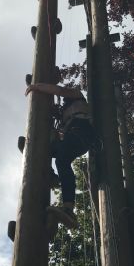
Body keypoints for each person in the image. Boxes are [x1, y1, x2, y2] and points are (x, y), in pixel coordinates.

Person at [25, 82, 94, 229]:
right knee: (48, 150)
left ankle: (68, 209)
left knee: (62, 159)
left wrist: (36, 86)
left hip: (82, 134)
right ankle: (51, 176)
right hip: (75, 138)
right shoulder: (65, 114)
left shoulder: (77, 95)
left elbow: (59, 90)